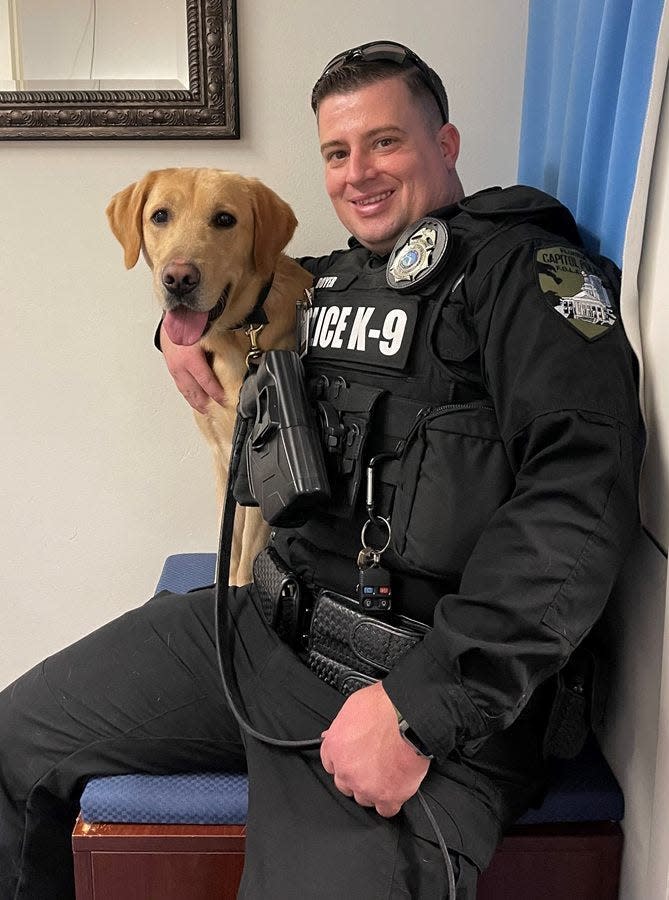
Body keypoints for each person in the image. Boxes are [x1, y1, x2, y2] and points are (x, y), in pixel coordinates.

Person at [0, 40, 644, 899]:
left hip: (415, 688)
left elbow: (577, 504)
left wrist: (421, 711)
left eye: (385, 142)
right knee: (13, 741)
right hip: (265, 628)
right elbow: (238, 291)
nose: (358, 173)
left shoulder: (523, 280)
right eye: (337, 153)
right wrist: (170, 337)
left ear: (444, 146)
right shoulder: (343, 280)